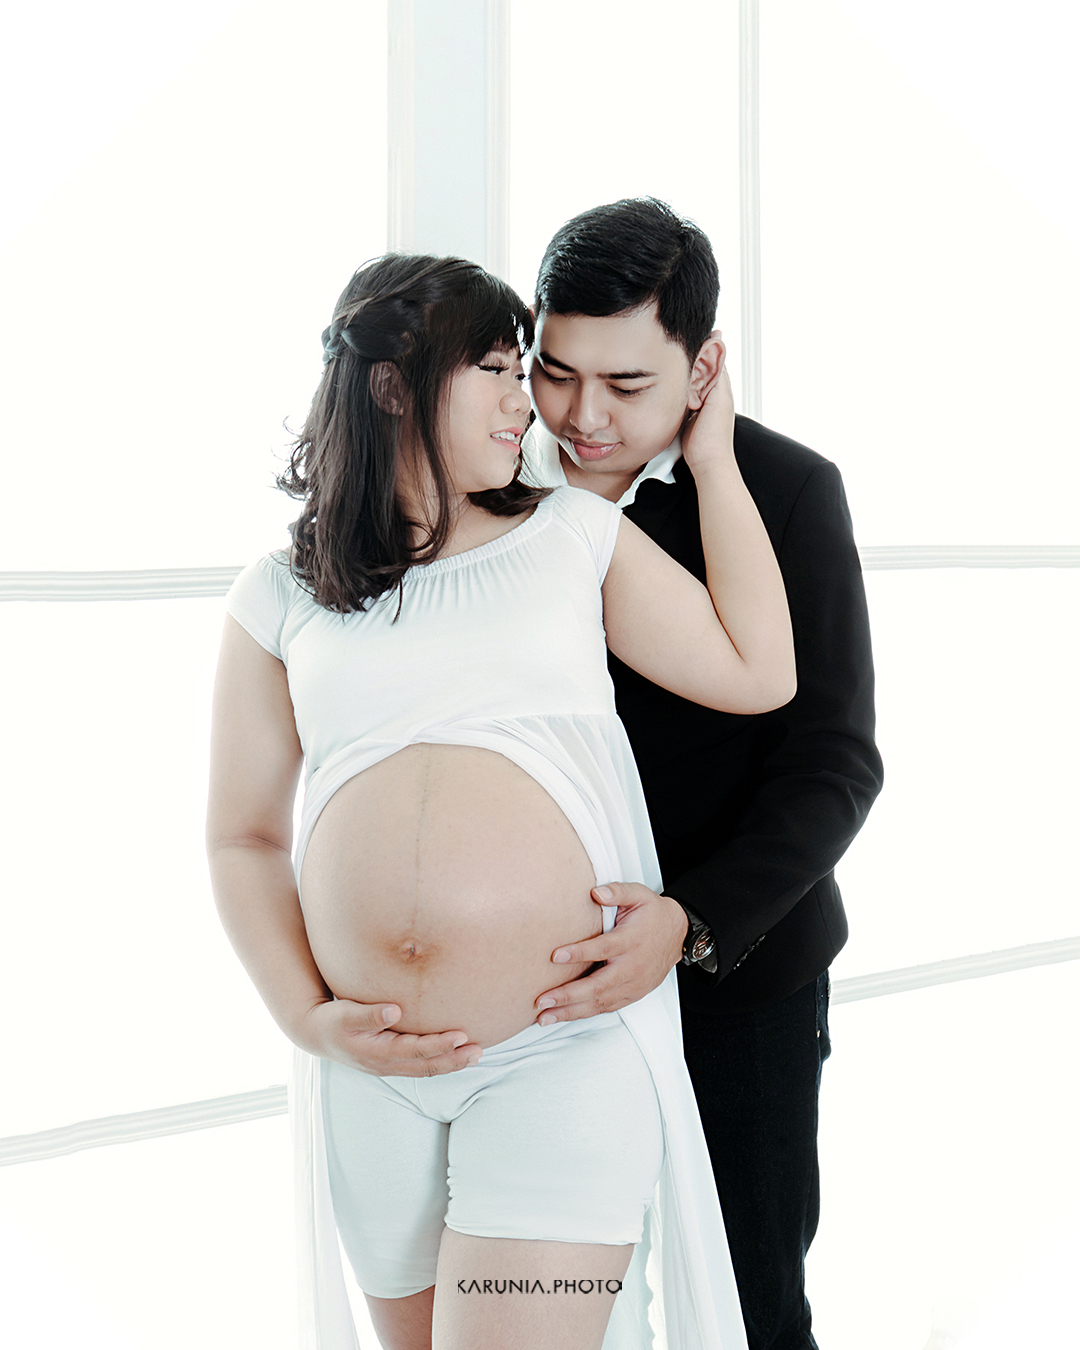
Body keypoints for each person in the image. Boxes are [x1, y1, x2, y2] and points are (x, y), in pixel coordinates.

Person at [206, 252, 795, 1350]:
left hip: (555, 1057)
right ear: (392, 386)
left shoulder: (572, 536)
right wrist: (304, 1016)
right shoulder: (281, 590)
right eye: (496, 367)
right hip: (372, 1077)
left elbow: (758, 672)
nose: (526, 400)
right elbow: (242, 837)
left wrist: (712, 463)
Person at [520, 199, 884, 1350]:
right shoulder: (496, 487)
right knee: (558, 1312)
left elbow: (836, 760)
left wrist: (690, 923)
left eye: (627, 384)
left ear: (704, 362)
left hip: (744, 985)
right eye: (554, 372)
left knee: (750, 1312)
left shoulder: (787, 488)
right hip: (543, 992)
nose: (583, 417)